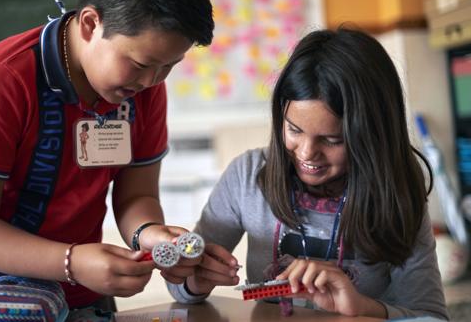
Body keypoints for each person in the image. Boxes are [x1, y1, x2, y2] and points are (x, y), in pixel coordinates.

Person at [0, 0, 214, 320]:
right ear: (91, 23)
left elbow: (137, 197)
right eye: (141, 64)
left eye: (169, 66)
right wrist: (71, 261)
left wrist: (148, 234)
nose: (152, 81)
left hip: (81, 278)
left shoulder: (142, 88)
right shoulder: (0, 83)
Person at [168, 28, 449, 320]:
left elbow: (430, 316)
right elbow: (179, 284)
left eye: (332, 140)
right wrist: (195, 279)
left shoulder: (395, 186)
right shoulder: (248, 176)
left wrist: (362, 308)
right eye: (294, 130)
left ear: (373, 135)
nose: (306, 153)